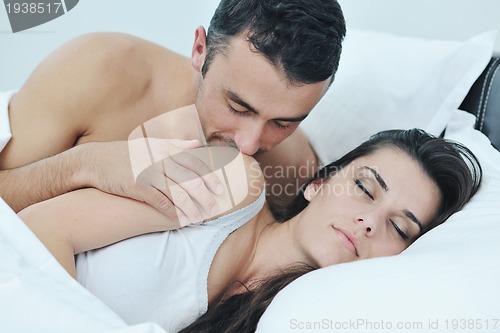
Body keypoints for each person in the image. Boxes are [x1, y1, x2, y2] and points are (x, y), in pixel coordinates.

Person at [19, 128, 482, 333]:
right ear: (318, 183)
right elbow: (42, 227)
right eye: (364, 187)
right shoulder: (232, 180)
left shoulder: (291, 318)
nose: (370, 221)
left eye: (399, 229)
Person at [0, 0, 346, 219]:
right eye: (237, 106)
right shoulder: (96, 70)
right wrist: (82, 166)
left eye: (283, 123)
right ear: (199, 50)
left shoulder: (291, 168)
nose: (250, 145)